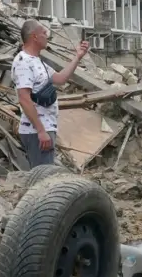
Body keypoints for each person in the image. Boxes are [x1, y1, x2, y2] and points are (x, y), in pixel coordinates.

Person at [12, 20, 90, 168]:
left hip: (46, 129)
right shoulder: (23, 63)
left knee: (45, 176)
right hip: (36, 132)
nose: (47, 35)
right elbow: (24, 99)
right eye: (43, 32)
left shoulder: (37, 61)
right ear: (34, 37)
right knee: (43, 180)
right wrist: (41, 131)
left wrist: (78, 57)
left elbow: (60, 79)